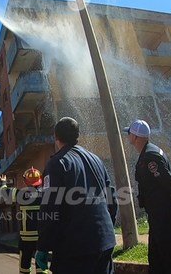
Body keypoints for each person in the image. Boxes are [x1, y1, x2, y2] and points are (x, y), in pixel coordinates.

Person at [38, 117, 118, 274]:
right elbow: (112, 197)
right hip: (105, 241)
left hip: (75, 249)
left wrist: (43, 246)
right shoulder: (96, 160)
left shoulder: (56, 164)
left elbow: (49, 209)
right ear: (77, 135)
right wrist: (106, 227)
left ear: (56, 137)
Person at [123, 119, 171, 274]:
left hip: (167, 216)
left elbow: (168, 181)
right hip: (159, 216)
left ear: (136, 137)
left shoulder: (150, 156)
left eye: (129, 133)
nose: (128, 136)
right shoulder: (148, 153)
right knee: (158, 261)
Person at [0, 168, 49, 274]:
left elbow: (4, 192)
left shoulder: (21, 194)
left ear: (25, 181)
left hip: (26, 238)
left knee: (25, 265)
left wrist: (4, 183)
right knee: (42, 267)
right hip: (42, 237)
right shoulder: (47, 194)